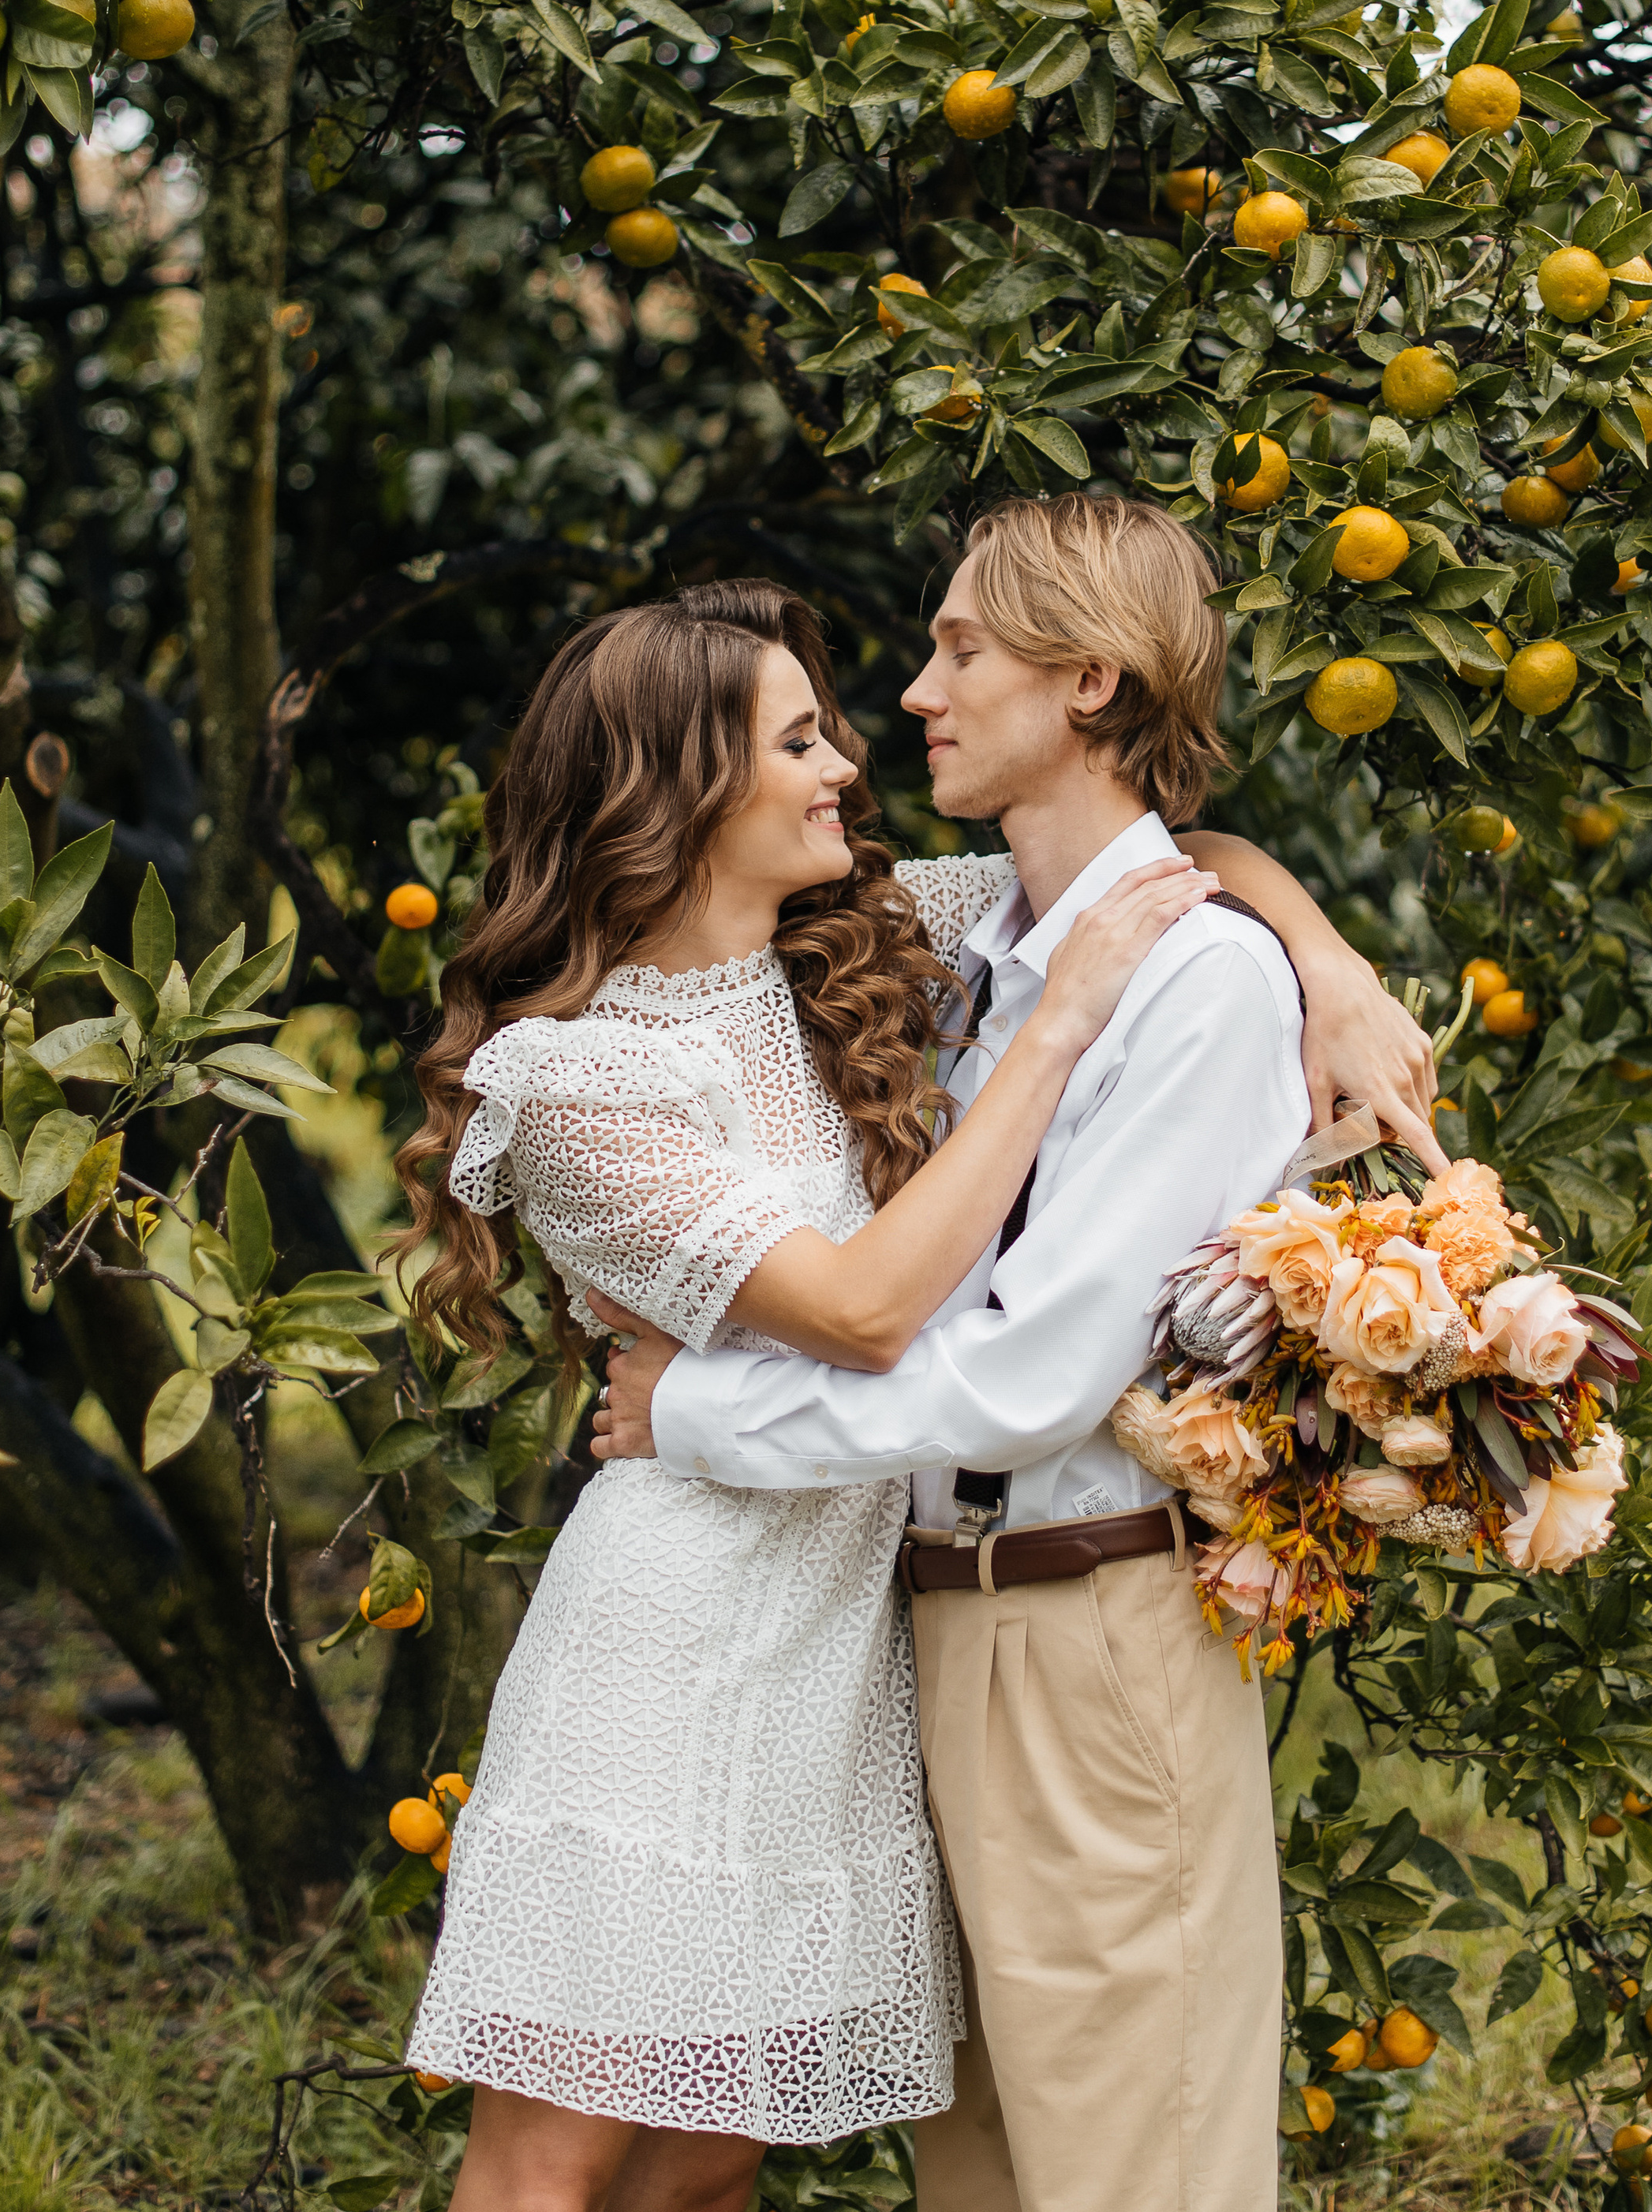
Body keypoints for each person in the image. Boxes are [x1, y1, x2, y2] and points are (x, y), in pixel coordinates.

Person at [593, 493, 1441, 2212]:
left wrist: (693, 1410)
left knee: (1132, 2166)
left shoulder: (1193, 984)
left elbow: (1034, 1371)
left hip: (1084, 1630)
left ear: (1092, 681)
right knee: (978, 2172)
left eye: (961, 647)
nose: (912, 691)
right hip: (932, 1624)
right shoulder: (982, 954)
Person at [394, 577, 1227, 2212]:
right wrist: (1055, 1027)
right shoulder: (575, 1078)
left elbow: (1142, 860)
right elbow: (856, 1311)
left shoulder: (859, 937)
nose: (846, 760)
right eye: (796, 739)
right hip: (670, 1652)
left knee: (709, 2162)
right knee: (546, 2166)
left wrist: (1319, 959)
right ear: (678, 788)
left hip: (835, 1660)